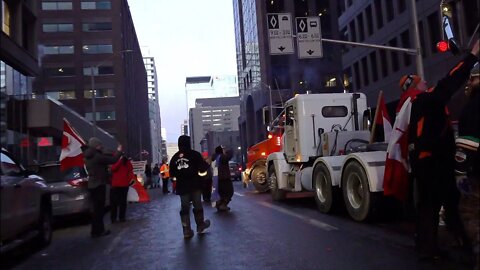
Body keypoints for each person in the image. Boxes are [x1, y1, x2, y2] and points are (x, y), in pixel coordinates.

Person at [398, 40, 479, 260]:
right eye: (421, 81)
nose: (425, 82)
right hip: (433, 162)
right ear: (415, 87)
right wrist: (472, 55)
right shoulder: (425, 100)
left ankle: (432, 245)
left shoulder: (416, 105)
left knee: (435, 203)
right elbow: (449, 83)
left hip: (426, 162)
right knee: (439, 203)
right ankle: (453, 245)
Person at [456, 61, 479, 268]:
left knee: (469, 212)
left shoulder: (472, 108)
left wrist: (460, 175)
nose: (469, 83)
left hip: (478, 175)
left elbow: (466, 147)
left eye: (472, 79)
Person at [169, 135, 210, 238]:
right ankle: (200, 225)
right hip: (195, 185)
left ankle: (186, 230)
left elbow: (172, 175)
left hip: (182, 187)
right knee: (197, 206)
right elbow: (203, 168)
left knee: (184, 208)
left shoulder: (174, 158)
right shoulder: (194, 155)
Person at [84, 137, 122, 238]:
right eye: (100, 145)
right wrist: (119, 151)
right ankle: (100, 231)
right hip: (99, 184)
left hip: (92, 185)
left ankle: (95, 231)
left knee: (96, 210)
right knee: (99, 210)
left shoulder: (88, 156)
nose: (101, 147)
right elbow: (113, 160)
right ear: (96, 146)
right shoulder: (97, 156)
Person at [110, 155, 134, 223]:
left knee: (116, 203)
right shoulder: (125, 162)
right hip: (122, 185)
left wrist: (119, 161)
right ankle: (121, 217)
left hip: (117, 185)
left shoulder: (118, 161)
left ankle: (115, 218)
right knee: (121, 202)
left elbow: (113, 168)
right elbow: (130, 169)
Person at [213, 145, 234, 211]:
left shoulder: (214, 157)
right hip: (224, 178)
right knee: (229, 192)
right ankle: (222, 205)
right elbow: (229, 155)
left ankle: (219, 204)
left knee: (220, 193)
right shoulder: (221, 157)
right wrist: (229, 150)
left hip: (216, 179)